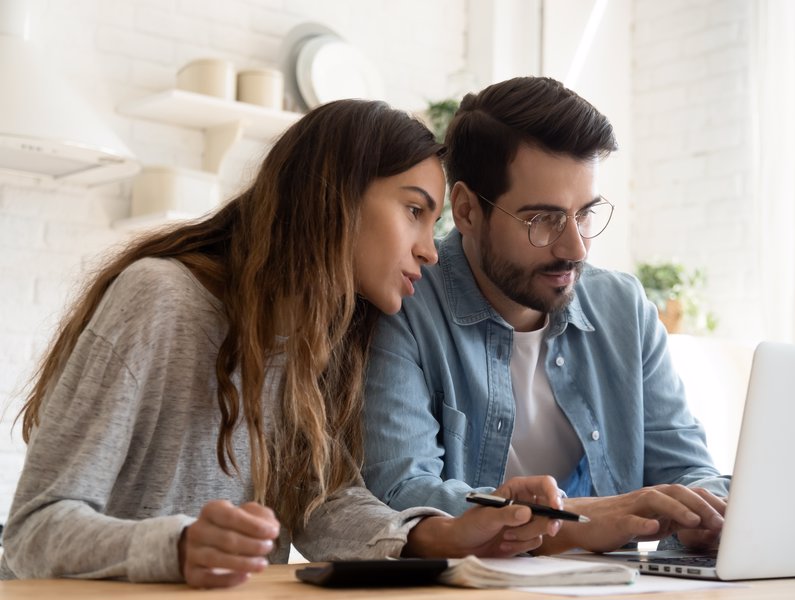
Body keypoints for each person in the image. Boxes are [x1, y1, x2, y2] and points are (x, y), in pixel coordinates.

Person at [0, 99, 565, 588]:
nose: (430, 251)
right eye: (414, 210)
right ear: (335, 197)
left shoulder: (322, 341)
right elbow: (34, 528)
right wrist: (176, 547)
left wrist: (441, 535)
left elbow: (321, 504)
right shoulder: (160, 299)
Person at [362, 77, 730, 555]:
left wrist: (706, 514)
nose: (575, 247)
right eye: (544, 220)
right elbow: (400, 492)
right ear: (469, 211)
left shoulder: (624, 309)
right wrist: (573, 523)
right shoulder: (402, 305)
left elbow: (687, 468)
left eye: (585, 214)